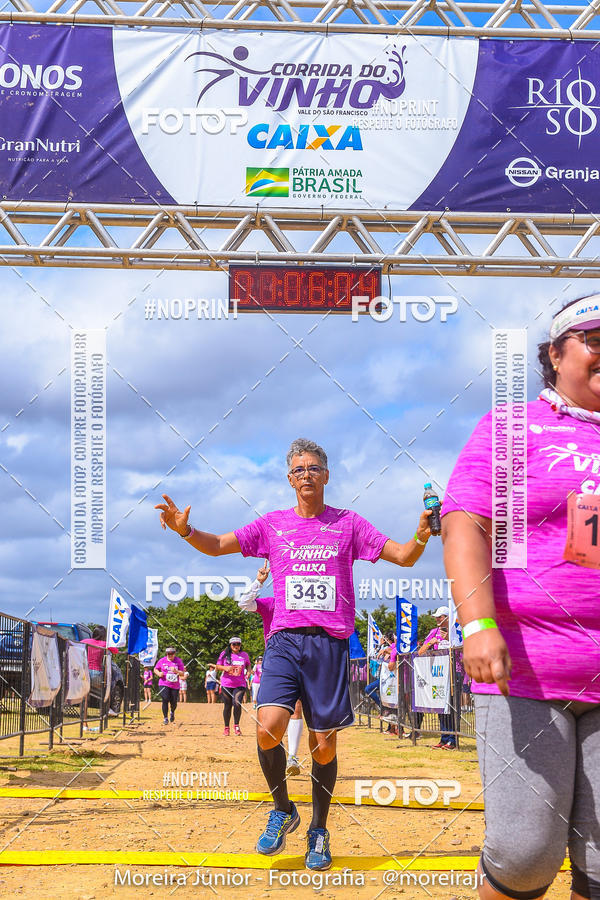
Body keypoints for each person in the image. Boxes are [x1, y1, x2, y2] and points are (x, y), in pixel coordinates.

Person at [156, 437, 433, 870]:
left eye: (313, 468)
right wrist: (185, 530)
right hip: (284, 640)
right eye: (299, 470)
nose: (306, 475)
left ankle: (318, 829)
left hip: (329, 643)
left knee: (323, 746)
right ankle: (283, 808)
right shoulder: (272, 525)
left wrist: (422, 533)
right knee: (267, 726)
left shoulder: (349, 524)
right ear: (289, 479)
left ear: (326, 475)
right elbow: (217, 545)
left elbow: (403, 556)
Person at [442, 296, 600, 900]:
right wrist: (477, 623)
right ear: (556, 354)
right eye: (595, 340)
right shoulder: (513, 430)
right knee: (525, 854)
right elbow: (464, 527)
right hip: (528, 674)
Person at [237, 561, 305, 776]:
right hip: (276, 663)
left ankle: (292, 756)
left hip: (302, 661)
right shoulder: (270, 604)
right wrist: (258, 581)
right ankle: (279, 751)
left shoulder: (306, 602)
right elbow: (244, 602)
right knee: (272, 715)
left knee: (296, 708)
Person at [417, 607, 456, 749]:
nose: (437, 619)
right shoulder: (433, 632)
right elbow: (420, 652)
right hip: (438, 674)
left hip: (453, 672)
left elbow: (464, 647)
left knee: (452, 707)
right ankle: (444, 738)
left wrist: (449, 639)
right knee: (441, 707)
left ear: (447, 617)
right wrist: (430, 643)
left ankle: (453, 739)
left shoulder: (456, 630)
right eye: (436, 617)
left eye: (440, 617)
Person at [81, 625, 118, 731]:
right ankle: (107, 712)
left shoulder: (86, 641)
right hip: (97, 672)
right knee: (105, 693)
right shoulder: (104, 644)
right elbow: (115, 651)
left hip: (86, 672)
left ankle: (84, 724)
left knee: (85, 699)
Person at [215, 637, 251, 736]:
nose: (236, 646)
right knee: (227, 706)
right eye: (234, 644)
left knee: (237, 703)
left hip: (240, 684)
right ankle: (226, 727)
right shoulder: (224, 654)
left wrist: (248, 672)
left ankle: (236, 726)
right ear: (230, 645)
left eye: (238, 644)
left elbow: (248, 665)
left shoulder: (244, 655)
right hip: (226, 684)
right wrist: (225, 668)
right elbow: (217, 666)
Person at [154, 647, 185, 725]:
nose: (170, 655)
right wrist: (158, 673)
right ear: (166, 654)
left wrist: (176, 671)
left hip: (175, 685)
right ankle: (165, 718)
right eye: (168, 654)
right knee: (165, 699)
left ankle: (172, 712)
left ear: (174, 654)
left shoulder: (178, 661)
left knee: (173, 702)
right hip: (163, 683)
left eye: (172, 654)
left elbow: (183, 673)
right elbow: (155, 669)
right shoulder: (162, 660)